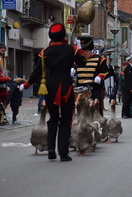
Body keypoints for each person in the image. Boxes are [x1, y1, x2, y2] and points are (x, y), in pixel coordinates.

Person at [20, 23, 85, 161]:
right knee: (66, 121)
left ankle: (51, 148)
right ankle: (63, 153)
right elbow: (83, 62)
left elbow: (36, 72)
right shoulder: (71, 49)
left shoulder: (45, 52)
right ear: (63, 36)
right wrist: (78, 48)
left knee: (53, 119)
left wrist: (26, 85)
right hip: (66, 88)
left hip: (49, 88)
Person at [75, 36, 110, 116]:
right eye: (83, 51)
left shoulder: (99, 59)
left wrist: (100, 76)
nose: (85, 53)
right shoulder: (78, 60)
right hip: (80, 90)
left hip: (94, 90)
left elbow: (108, 72)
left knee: (96, 111)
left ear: (91, 51)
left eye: (86, 51)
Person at [121, 52, 132, 119]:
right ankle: (124, 114)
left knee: (129, 100)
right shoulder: (128, 68)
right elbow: (129, 79)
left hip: (129, 87)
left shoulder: (130, 67)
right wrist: (131, 88)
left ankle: (129, 114)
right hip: (127, 87)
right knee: (126, 101)